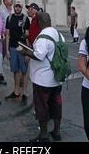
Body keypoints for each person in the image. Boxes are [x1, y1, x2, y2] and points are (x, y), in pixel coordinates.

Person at [18, 12, 64, 142]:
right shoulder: (58, 34)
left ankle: (43, 135)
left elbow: (39, 55)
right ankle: (57, 131)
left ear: (39, 23)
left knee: (42, 107)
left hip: (42, 78)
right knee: (56, 105)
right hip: (56, 77)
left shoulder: (43, 37)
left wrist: (24, 52)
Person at [5, 3, 30, 105]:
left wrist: (28, 53)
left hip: (23, 48)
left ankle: (24, 93)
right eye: (16, 6)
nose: (18, 8)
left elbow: (27, 36)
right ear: (14, 7)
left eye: (19, 6)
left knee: (24, 71)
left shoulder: (25, 19)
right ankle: (16, 92)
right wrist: (6, 50)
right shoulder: (9, 18)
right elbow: (7, 34)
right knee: (15, 70)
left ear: (21, 8)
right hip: (12, 47)